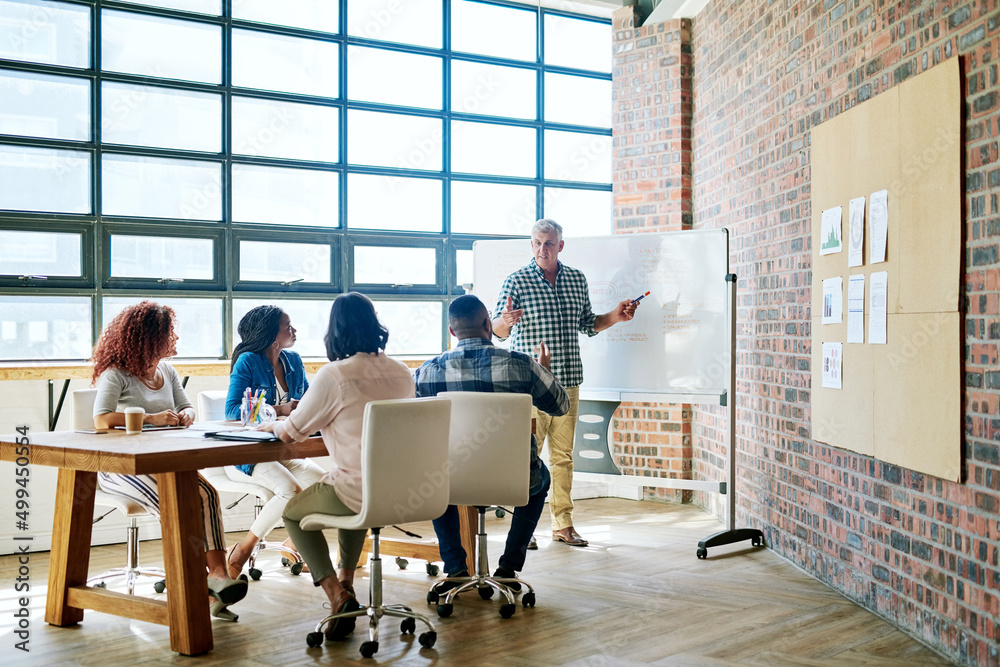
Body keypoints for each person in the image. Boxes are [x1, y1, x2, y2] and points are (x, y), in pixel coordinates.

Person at [257, 293, 414, 641]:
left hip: (357, 489)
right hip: (408, 490)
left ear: (335, 330)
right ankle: (346, 583)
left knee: (295, 513)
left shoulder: (334, 375)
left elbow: (292, 432)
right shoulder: (402, 372)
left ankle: (335, 593)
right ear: (375, 325)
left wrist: (271, 425)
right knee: (350, 495)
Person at [91, 301, 247, 620]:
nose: (175, 339)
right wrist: (152, 418)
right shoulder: (116, 373)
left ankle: (217, 576)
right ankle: (189, 585)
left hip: (163, 462)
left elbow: (187, 406)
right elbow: (101, 420)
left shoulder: (168, 370)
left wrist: (185, 416)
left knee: (206, 494)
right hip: (119, 467)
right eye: (168, 333)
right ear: (150, 337)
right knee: (177, 504)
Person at [492, 219, 639, 547]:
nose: (542, 249)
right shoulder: (515, 281)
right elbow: (497, 332)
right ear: (531, 245)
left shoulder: (575, 279)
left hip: (568, 381)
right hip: (529, 386)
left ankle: (563, 523)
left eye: (549, 243)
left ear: (560, 245)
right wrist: (504, 322)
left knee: (563, 458)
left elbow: (588, 324)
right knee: (524, 458)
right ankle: (524, 527)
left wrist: (615, 316)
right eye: (537, 243)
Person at [414, 294, 569, 587]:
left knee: (434, 479)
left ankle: (456, 567)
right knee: (541, 480)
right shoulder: (522, 365)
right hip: (515, 479)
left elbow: (412, 424)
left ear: (452, 331)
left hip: (451, 481)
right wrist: (545, 370)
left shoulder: (427, 372)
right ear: (488, 324)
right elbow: (561, 406)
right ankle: (508, 567)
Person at [222, 305, 325, 577]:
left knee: (325, 484)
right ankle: (241, 551)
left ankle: (293, 543)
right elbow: (232, 411)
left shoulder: (294, 361)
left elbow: (306, 404)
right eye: (287, 326)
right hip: (247, 453)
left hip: (284, 450)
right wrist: (280, 410)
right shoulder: (248, 361)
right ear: (272, 335)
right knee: (290, 490)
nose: (294, 330)